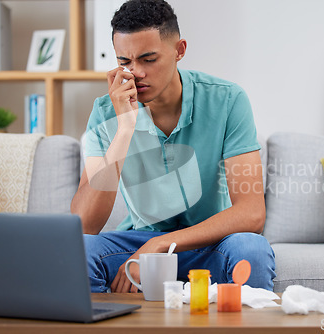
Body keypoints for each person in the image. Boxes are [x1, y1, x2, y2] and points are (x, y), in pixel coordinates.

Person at [71, 0, 275, 293]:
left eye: (148, 59)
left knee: (251, 248)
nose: (135, 73)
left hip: (210, 244)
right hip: (139, 242)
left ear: (179, 50)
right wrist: (125, 128)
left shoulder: (228, 100)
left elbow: (252, 213)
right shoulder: (106, 111)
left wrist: (162, 244)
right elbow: (84, 225)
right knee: (80, 251)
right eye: (124, 63)